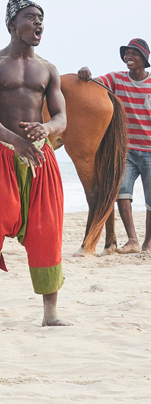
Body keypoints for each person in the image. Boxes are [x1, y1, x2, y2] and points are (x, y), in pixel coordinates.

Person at [0, 0, 69, 333]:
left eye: (41, 19)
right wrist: (14, 140)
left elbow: (61, 116)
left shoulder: (48, 69)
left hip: (40, 155)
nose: (38, 24)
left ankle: (50, 312)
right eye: (31, 18)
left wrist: (47, 128)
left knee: (46, 229)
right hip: (2, 154)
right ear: (12, 25)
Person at [78, 38, 151, 253]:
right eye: (126, 53)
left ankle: (148, 243)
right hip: (125, 150)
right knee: (121, 193)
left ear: (144, 58)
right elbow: (92, 84)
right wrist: (85, 72)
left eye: (134, 53)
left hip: (150, 151)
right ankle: (133, 240)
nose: (129, 56)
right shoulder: (116, 79)